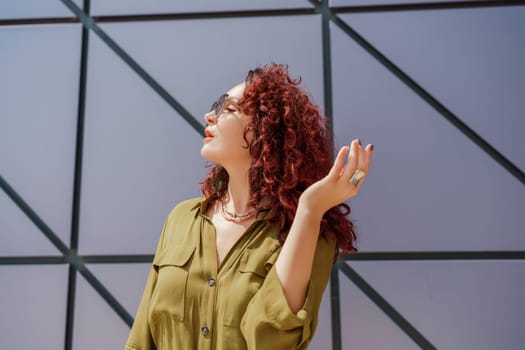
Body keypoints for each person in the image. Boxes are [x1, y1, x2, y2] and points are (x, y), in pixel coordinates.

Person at [125, 63, 373, 350]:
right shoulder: (181, 219)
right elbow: (140, 340)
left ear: (265, 131)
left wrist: (309, 209)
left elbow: (271, 337)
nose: (209, 115)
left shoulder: (308, 232)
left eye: (227, 109)